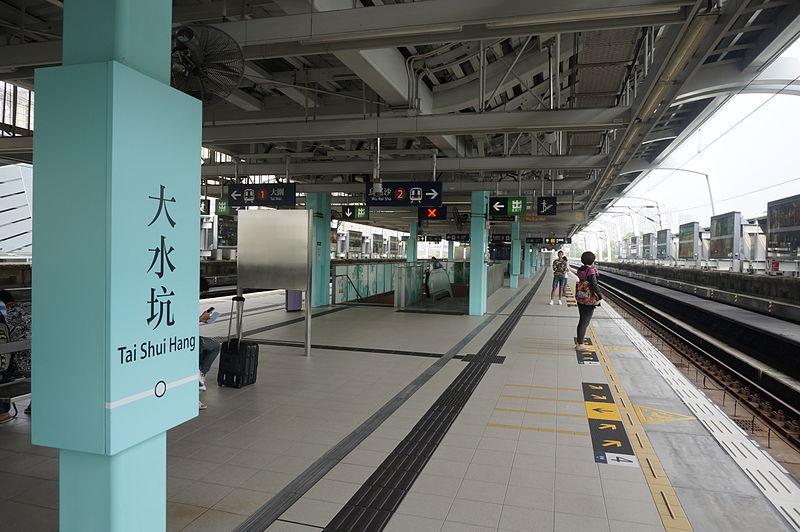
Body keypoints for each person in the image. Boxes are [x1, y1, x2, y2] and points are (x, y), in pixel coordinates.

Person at [0, 290, 29, 423]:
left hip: (18, 363)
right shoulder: (29, 307)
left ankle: (2, 412)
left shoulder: (8, 313)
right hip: (42, 358)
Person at [199, 278, 221, 410]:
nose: (201, 295)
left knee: (213, 345)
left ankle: (200, 374)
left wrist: (202, 319)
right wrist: (201, 319)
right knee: (214, 346)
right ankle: (201, 373)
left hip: (190, 338)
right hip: (188, 340)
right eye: (201, 292)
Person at [574, 251, 603, 351]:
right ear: (592, 260)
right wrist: (600, 297)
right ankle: (580, 344)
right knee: (585, 320)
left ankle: (579, 342)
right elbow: (594, 285)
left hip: (581, 297)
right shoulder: (590, 270)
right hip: (588, 298)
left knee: (582, 319)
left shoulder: (580, 269)